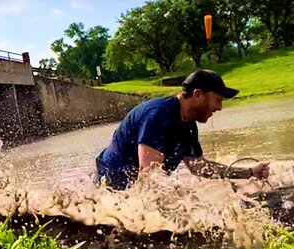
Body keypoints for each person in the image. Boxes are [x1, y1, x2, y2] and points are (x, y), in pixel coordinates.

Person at [96, 69, 270, 190]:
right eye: (217, 99)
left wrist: (249, 173)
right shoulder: (158, 115)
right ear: (197, 95)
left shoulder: (188, 126)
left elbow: (201, 169)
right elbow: (150, 177)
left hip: (132, 190)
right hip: (112, 186)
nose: (220, 107)